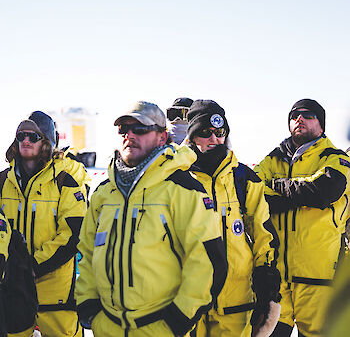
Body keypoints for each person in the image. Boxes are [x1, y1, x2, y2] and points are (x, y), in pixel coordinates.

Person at [75, 101, 228, 337]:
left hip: (160, 328)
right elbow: (86, 253)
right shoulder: (104, 193)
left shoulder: (183, 189)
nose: (130, 135)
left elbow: (207, 261)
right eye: (124, 129)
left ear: (162, 136)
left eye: (140, 128)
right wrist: (90, 309)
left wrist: (177, 322)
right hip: (107, 327)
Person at [254, 99, 350, 336]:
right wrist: (298, 197)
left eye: (308, 115)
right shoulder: (272, 159)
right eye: (294, 115)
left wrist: (276, 185)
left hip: (320, 282)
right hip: (277, 283)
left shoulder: (335, 158)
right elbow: (253, 191)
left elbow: (323, 191)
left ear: (321, 124)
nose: (300, 118)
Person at [186, 99, 281, 337]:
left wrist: (267, 285)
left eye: (220, 133)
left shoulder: (244, 178)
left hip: (235, 303)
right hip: (186, 304)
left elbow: (262, 233)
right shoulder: (176, 178)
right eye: (205, 133)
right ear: (192, 137)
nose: (214, 140)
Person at [0, 111, 89, 336]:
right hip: (12, 293)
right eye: (21, 136)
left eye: (33, 136)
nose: (26, 141)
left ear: (47, 143)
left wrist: (32, 266)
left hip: (55, 300)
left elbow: (72, 234)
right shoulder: (2, 182)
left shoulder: (65, 182)